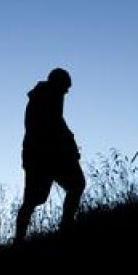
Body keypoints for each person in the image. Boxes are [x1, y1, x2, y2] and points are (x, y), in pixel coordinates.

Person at [15, 68, 85, 243]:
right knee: (33, 199)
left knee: (75, 185)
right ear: (57, 83)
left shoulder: (48, 97)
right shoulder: (43, 99)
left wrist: (70, 145)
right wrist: (68, 146)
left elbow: (58, 125)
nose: (66, 92)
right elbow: (49, 129)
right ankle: (19, 239)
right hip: (43, 157)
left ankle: (65, 226)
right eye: (65, 88)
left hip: (50, 156)